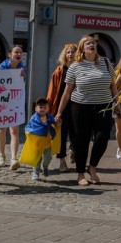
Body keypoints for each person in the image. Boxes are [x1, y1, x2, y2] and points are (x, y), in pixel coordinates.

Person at [55, 36, 120, 186]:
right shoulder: (75, 66)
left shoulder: (105, 62)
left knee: (102, 139)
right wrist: (59, 112)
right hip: (80, 107)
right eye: (88, 43)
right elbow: (67, 91)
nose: (92, 44)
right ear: (82, 48)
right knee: (81, 141)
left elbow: (113, 85)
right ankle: (80, 174)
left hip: (103, 106)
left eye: (94, 43)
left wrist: (117, 102)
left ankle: (92, 166)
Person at [46, 43, 77, 172]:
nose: (70, 54)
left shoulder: (80, 69)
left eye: (72, 52)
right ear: (64, 55)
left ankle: (73, 150)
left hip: (77, 106)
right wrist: (48, 108)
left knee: (76, 133)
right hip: (61, 107)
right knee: (62, 135)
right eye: (68, 52)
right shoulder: (59, 71)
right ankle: (62, 161)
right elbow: (52, 91)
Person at [0, 44, 26, 170]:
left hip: (15, 102)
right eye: (16, 52)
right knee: (2, 129)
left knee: (14, 131)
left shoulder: (21, 68)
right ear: (10, 55)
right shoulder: (2, 67)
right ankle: (1, 156)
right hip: (2, 102)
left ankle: (14, 158)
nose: (18, 54)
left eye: (20, 52)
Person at [24, 97, 57, 180]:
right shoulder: (33, 119)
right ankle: (36, 171)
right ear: (36, 108)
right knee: (37, 158)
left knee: (48, 157)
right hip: (37, 143)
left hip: (47, 143)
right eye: (40, 107)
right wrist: (30, 133)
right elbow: (28, 127)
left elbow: (55, 127)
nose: (42, 109)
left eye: (44, 107)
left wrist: (57, 124)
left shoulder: (50, 118)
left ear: (48, 109)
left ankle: (45, 167)